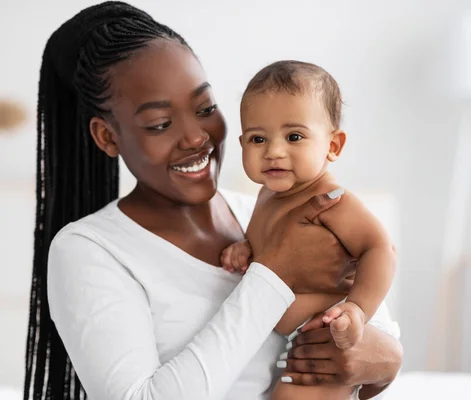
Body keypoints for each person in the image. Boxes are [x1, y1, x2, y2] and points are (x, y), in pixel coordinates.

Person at [24, 2, 403, 399]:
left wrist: (388, 358)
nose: (195, 137)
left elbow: (370, 313)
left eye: (205, 108)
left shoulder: (262, 210)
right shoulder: (90, 251)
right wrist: (270, 274)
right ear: (107, 136)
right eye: (160, 124)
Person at [220, 61, 396, 399]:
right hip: (300, 333)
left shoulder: (333, 202)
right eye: (258, 138)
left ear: (333, 145)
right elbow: (275, 244)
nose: (273, 151)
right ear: (241, 143)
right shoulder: (267, 193)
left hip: (331, 330)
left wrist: (357, 309)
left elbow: (381, 249)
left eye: (294, 136)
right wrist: (246, 246)